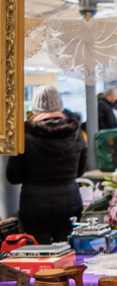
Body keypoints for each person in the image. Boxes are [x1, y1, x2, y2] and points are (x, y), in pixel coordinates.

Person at [8, 85, 87, 244]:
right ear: (60, 105)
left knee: (41, 258)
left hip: (35, 206)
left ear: (35, 108)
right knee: (67, 256)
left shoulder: (24, 135)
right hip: (69, 203)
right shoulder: (76, 132)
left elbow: (13, 176)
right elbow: (80, 171)